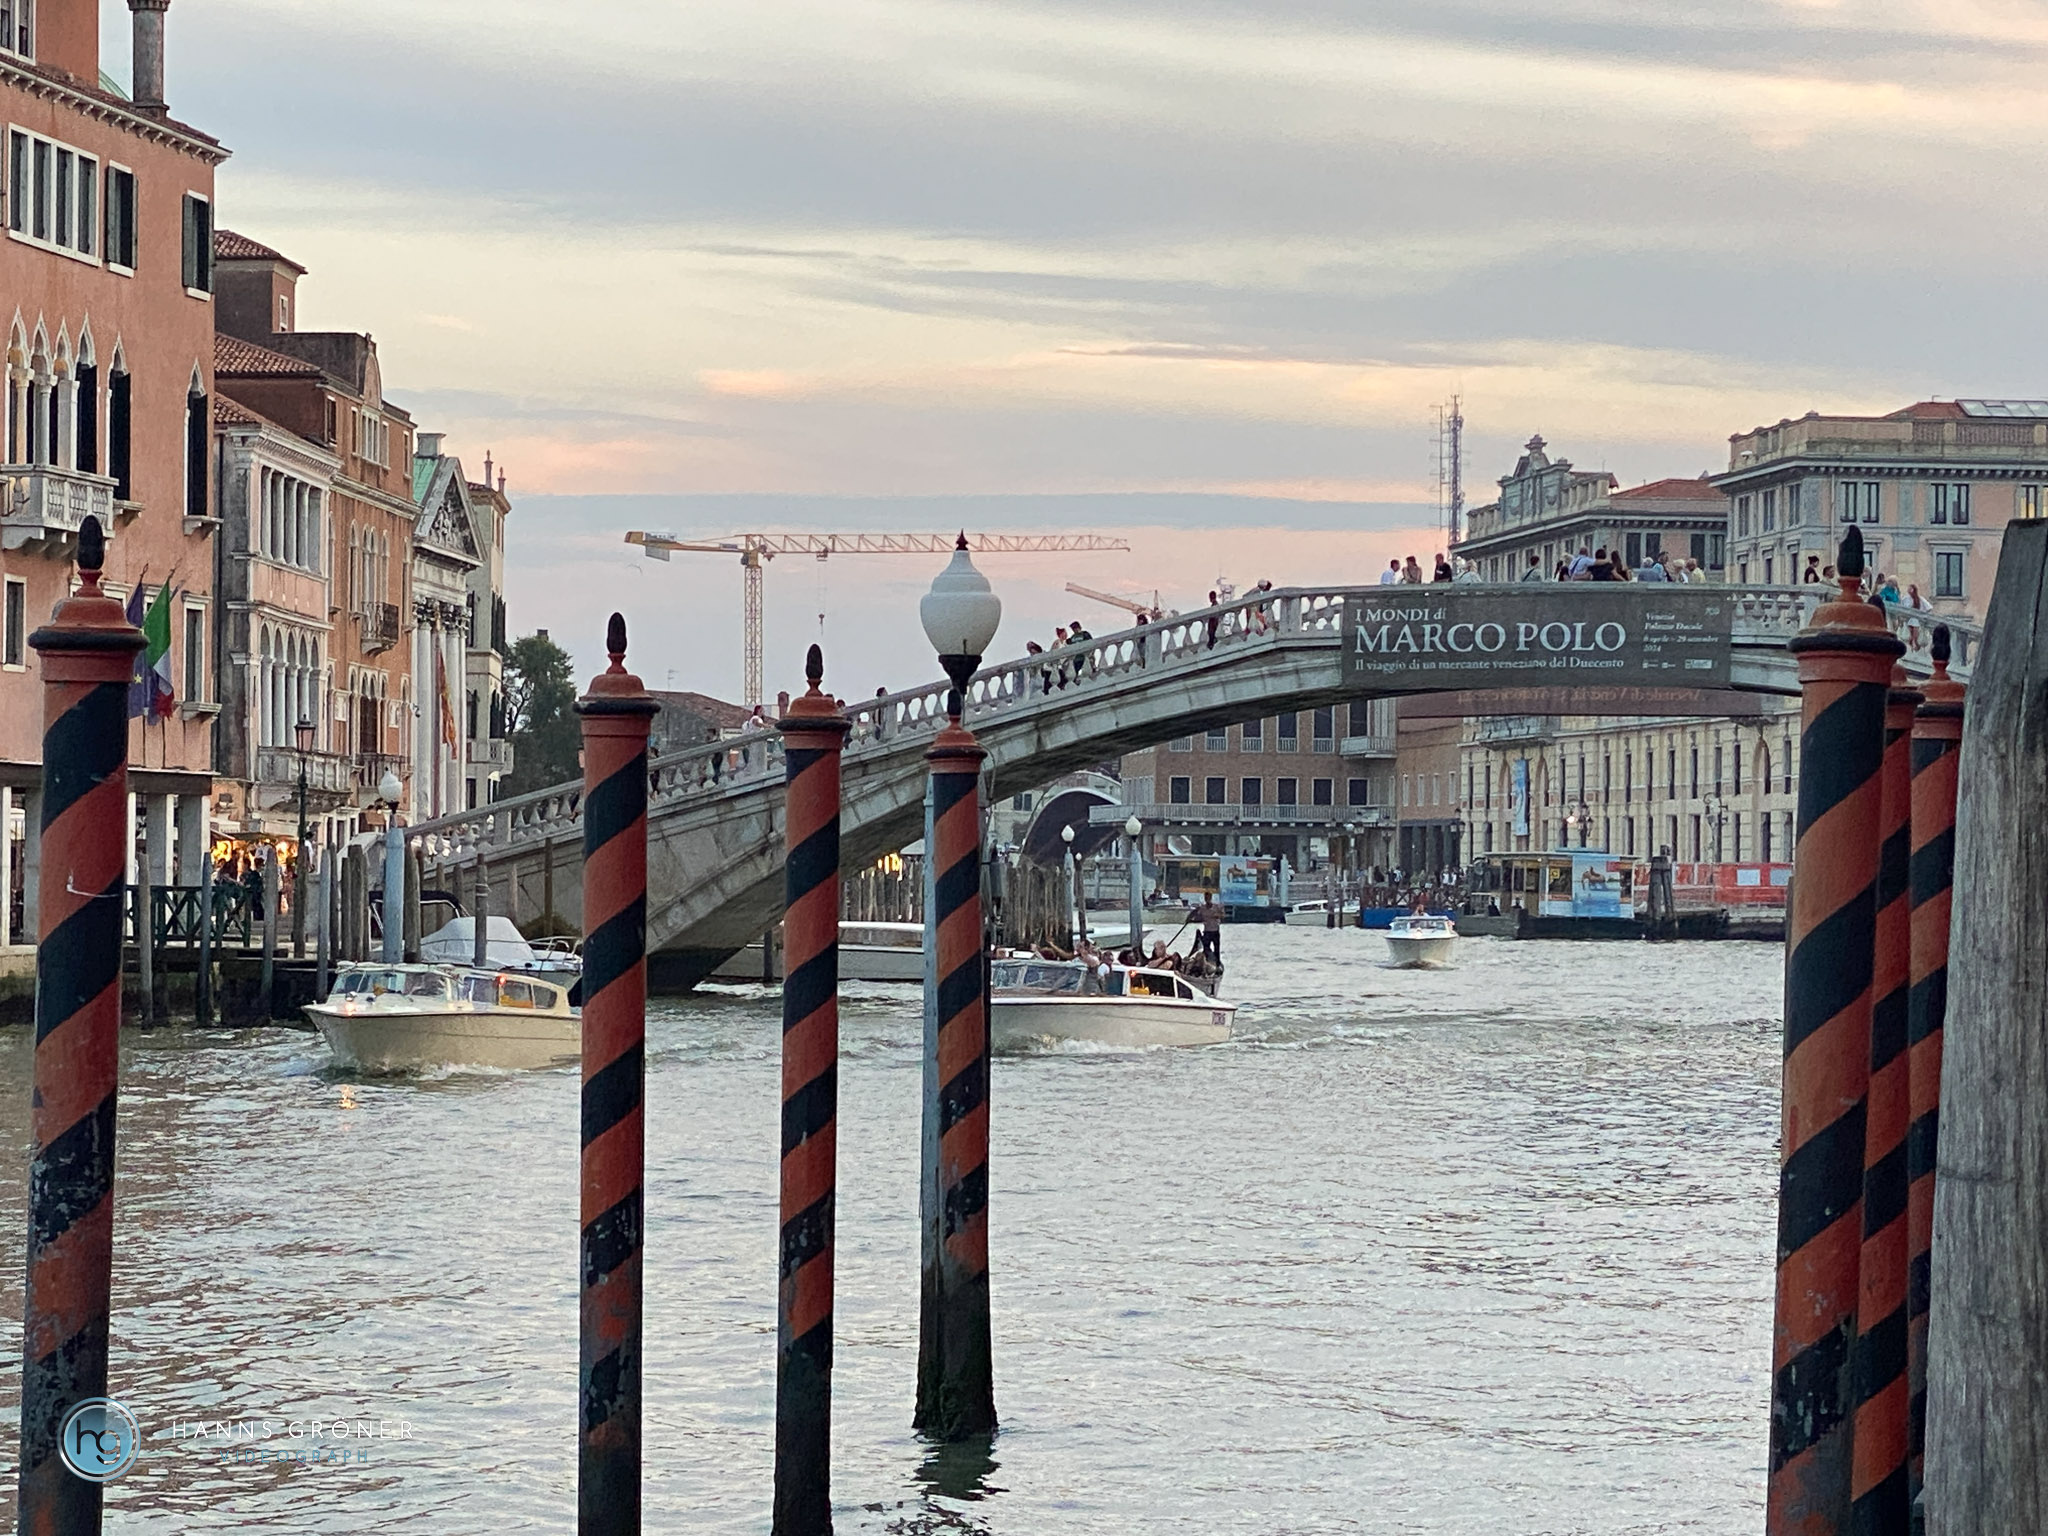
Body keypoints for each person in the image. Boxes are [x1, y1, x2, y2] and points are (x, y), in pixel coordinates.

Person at [1194, 891, 1224, 964]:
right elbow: (1197, 916)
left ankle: (1217, 962)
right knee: (1206, 948)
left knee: (1216, 949)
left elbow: (1223, 915)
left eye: (1208, 897)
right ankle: (1207, 961)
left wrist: (1217, 915)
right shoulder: (1202, 908)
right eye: (1205, 898)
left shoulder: (1216, 907)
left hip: (1215, 931)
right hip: (1207, 931)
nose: (1206, 899)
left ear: (1211, 898)